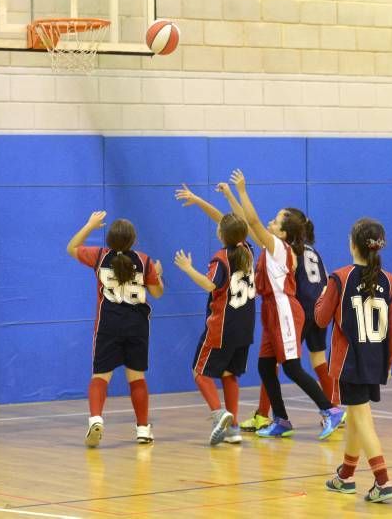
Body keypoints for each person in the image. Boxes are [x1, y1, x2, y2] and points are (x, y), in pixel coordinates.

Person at [227, 169, 344, 440]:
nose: (270, 220)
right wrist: (231, 195)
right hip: (270, 310)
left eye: (276, 219)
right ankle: (281, 420)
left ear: (283, 232)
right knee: (265, 366)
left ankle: (330, 410)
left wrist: (243, 190)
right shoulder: (272, 245)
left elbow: (253, 221)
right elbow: (246, 221)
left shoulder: (280, 247)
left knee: (291, 366)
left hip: (285, 310)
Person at [316, 217, 392, 503]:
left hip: (350, 361)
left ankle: (383, 480)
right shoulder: (389, 280)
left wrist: (322, 296)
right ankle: (346, 475)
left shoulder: (339, 277)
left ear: (352, 244)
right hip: (375, 360)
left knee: (362, 418)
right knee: (355, 414)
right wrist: (386, 363)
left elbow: (320, 318)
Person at [67, 211, 164, 447]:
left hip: (108, 324)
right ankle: (142, 429)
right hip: (137, 326)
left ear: (109, 239)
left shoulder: (100, 256)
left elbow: (72, 247)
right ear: (133, 240)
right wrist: (158, 275)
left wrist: (89, 224)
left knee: (100, 376)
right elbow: (157, 293)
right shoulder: (144, 260)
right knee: (136, 377)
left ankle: (96, 419)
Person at [174, 184, 256, 446]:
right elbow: (228, 221)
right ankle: (233, 429)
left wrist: (188, 268)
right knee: (230, 374)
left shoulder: (221, 258)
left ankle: (219, 413)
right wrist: (198, 200)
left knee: (199, 371)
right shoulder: (248, 250)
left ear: (222, 234)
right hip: (245, 325)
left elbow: (210, 285)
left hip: (222, 325)